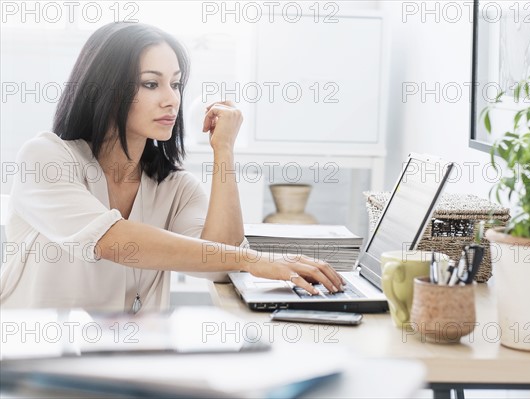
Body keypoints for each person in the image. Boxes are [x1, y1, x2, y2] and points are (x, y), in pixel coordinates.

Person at [0, 22, 344, 312]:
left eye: (176, 84)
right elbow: (114, 241)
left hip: (125, 368)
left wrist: (223, 150)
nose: (171, 99)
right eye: (151, 83)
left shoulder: (175, 187)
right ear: (105, 90)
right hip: (32, 367)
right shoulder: (46, 158)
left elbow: (218, 268)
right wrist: (254, 259)